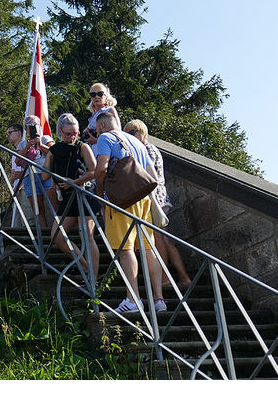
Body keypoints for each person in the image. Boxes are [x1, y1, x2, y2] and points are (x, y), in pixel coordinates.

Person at [93, 110, 165, 314]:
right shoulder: (137, 142)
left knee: (124, 249)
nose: (97, 134)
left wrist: (101, 194)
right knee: (148, 249)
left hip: (121, 201)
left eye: (97, 130)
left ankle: (133, 299)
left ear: (102, 126)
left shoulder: (106, 138)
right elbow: (151, 175)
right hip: (143, 199)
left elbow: (101, 169)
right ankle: (159, 299)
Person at [124, 119, 192, 289]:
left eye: (133, 132)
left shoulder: (146, 149)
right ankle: (182, 277)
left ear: (142, 131)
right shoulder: (151, 148)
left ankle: (165, 277)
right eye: (128, 134)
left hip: (154, 198)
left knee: (159, 239)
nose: (130, 137)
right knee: (164, 239)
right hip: (160, 197)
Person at [43, 113, 100, 283]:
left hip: (84, 194)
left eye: (75, 133)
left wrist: (74, 182)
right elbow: (44, 176)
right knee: (57, 236)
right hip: (68, 198)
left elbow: (94, 171)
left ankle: (93, 279)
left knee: (87, 235)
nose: (72, 136)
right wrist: (46, 152)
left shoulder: (82, 147)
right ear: (60, 132)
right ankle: (84, 265)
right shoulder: (55, 150)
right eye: (68, 134)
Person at [15, 115, 56, 228]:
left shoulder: (46, 138)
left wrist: (40, 145)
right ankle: (43, 235)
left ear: (40, 126)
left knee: (54, 204)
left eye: (35, 125)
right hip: (30, 176)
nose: (33, 128)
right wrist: (27, 147)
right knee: (38, 209)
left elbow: (55, 153)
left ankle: (60, 231)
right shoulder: (22, 144)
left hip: (46, 174)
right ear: (26, 129)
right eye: (29, 126)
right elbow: (18, 161)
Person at [84, 82, 120, 148]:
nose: (96, 97)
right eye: (93, 94)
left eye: (100, 94)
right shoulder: (93, 116)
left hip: (106, 151)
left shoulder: (109, 110)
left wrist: (96, 140)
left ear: (106, 97)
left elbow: (118, 133)